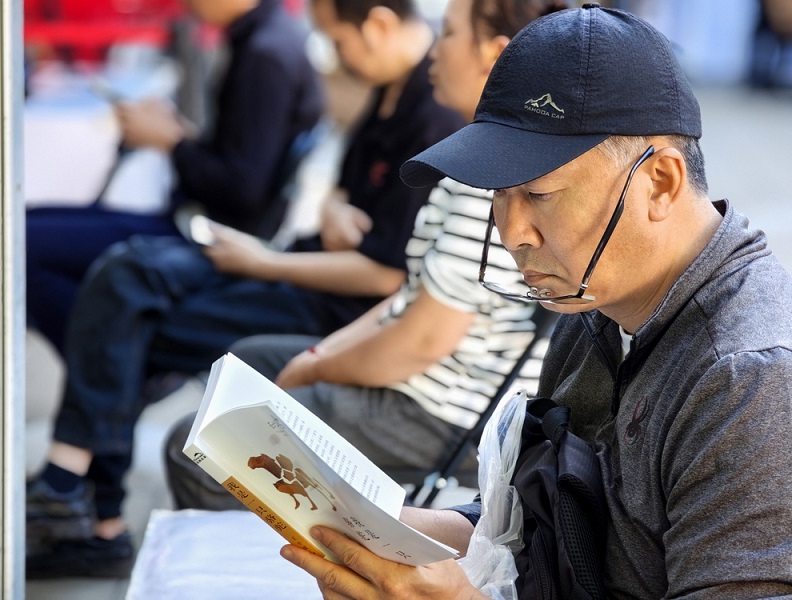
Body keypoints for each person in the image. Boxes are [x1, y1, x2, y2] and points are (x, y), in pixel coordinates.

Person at [278, 5, 792, 598]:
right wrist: (384, 531)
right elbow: (542, 526)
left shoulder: (750, 380)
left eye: (540, 194)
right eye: (499, 194)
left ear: (660, 183)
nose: (513, 232)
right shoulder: (594, 306)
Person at [24, 0, 465, 580]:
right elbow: (348, 201)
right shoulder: (389, 90)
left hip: (316, 294)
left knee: (122, 296)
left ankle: (81, 500)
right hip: (293, 263)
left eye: (337, 42)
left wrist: (265, 261)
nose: (333, 59)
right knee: (119, 287)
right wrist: (331, 210)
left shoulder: (427, 113)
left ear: (379, 26)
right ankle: (84, 504)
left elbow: (385, 272)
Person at [163, 0, 566, 512]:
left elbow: (422, 340)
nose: (432, 48)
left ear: (494, 54)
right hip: (421, 382)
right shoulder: (474, 154)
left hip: (439, 412)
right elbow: (410, 294)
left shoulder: (494, 175)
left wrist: (316, 368)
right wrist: (317, 359)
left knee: (195, 449)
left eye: (447, 34)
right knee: (248, 362)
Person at [25, 0, 325, 353]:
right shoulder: (267, 38)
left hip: (208, 238)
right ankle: (112, 356)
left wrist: (171, 141)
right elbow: (240, 159)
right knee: (23, 226)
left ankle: (117, 363)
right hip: (199, 223)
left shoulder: (266, 54)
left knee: (23, 245)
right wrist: (175, 133)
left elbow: (241, 189)